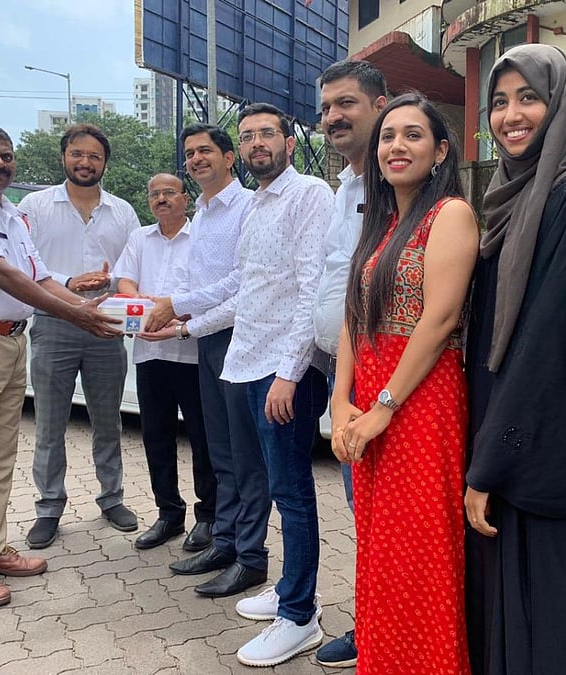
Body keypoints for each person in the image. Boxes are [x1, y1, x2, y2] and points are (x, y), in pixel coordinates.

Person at [463, 44, 566, 675]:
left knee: (554, 613)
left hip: (545, 445)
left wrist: (489, 464)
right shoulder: (508, 197)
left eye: (528, 97)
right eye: (500, 102)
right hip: (506, 426)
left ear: (558, 103)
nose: (511, 115)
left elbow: (551, 337)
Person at [0, 124, 121, 607]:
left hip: (9, 343)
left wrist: (80, 304)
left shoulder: (9, 213)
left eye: (6, 157)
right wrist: (73, 314)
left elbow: (39, 276)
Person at [330, 93, 478, 675]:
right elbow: (354, 317)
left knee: (420, 557)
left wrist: (384, 406)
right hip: (370, 405)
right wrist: (341, 399)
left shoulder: (451, 215)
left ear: (440, 151)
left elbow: (440, 320)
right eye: (388, 136)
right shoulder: (381, 223)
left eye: (413, 135)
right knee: (381, 555)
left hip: (420, 406)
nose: (396, 145)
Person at [222, 103, 334, 668]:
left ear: (290, 143)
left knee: (291, 493)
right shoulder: (255, 204)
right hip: (250, 362)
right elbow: (247, 288)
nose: (256, 143)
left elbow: (314, 287)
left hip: (284, 370)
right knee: (276, 486)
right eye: (247, 136)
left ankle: (299, 614)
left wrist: (290, 373)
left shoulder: (309, 194)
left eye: (267, 133)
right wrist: (186, 321)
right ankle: (292, 585)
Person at [148, 123, 272, 598]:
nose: (196, 159)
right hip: (208, 341)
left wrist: (181, 314)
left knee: (246, 457)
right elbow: (200, 283)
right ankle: (225, 542)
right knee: (220, 451)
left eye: (205, 151)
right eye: (190, 153)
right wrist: (179, 314)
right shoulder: (201, 212)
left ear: (229, 157)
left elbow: (242, 285)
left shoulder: (247, 207)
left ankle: (251, 558)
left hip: (242, 340)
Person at [19, 123, 144, 549]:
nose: (85, 162)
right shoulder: (36, 206)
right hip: (55, 321)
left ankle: (112, 498)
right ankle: (49, 507)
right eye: (77, 154)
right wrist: (69, 283)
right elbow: (25, 266)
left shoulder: (122, 211)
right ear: (64, 157)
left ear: (105, 162)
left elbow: (131, 267)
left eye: (94, 156)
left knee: (107, 421)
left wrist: (117, 286)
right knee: (50, 423)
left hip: (105, 326)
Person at [312, 58, 386, 669]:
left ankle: (381, 632)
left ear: (380, 106)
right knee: (364, 511)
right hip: (342, 374)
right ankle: (376, 624)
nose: (333, 117)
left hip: (383, 379)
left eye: (346, 103)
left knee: (383, 514)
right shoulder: (345, 189)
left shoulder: (397, 188)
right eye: (326, 108)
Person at [112, 174, 211, 551]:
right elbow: (124, 281)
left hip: (192, 352)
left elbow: (207, 289)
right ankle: (168, 513)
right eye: (155, 194)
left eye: (170, 192)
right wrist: (141, 304)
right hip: (150, 353)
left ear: (185, 198)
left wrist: (173, 310)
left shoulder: (201, 236)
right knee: (156, 437)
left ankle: (209, 516)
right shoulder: (139, 238)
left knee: (203, 439)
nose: (161, 199)